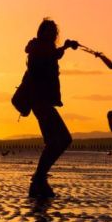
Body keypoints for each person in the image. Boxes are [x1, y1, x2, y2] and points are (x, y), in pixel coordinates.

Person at [25, 18, 79, 198]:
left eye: (54, 32)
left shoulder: (44, 49)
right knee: (63, 139)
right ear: (42, 32)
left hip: (42, 102)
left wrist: (64, 47)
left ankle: (39, 182)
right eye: (48, 31)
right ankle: (39, 179)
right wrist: (62, 48)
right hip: (40, 102)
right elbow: (47, 58)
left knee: (55, 142)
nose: (52, 34)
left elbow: (53, 55)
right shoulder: (37, 48)